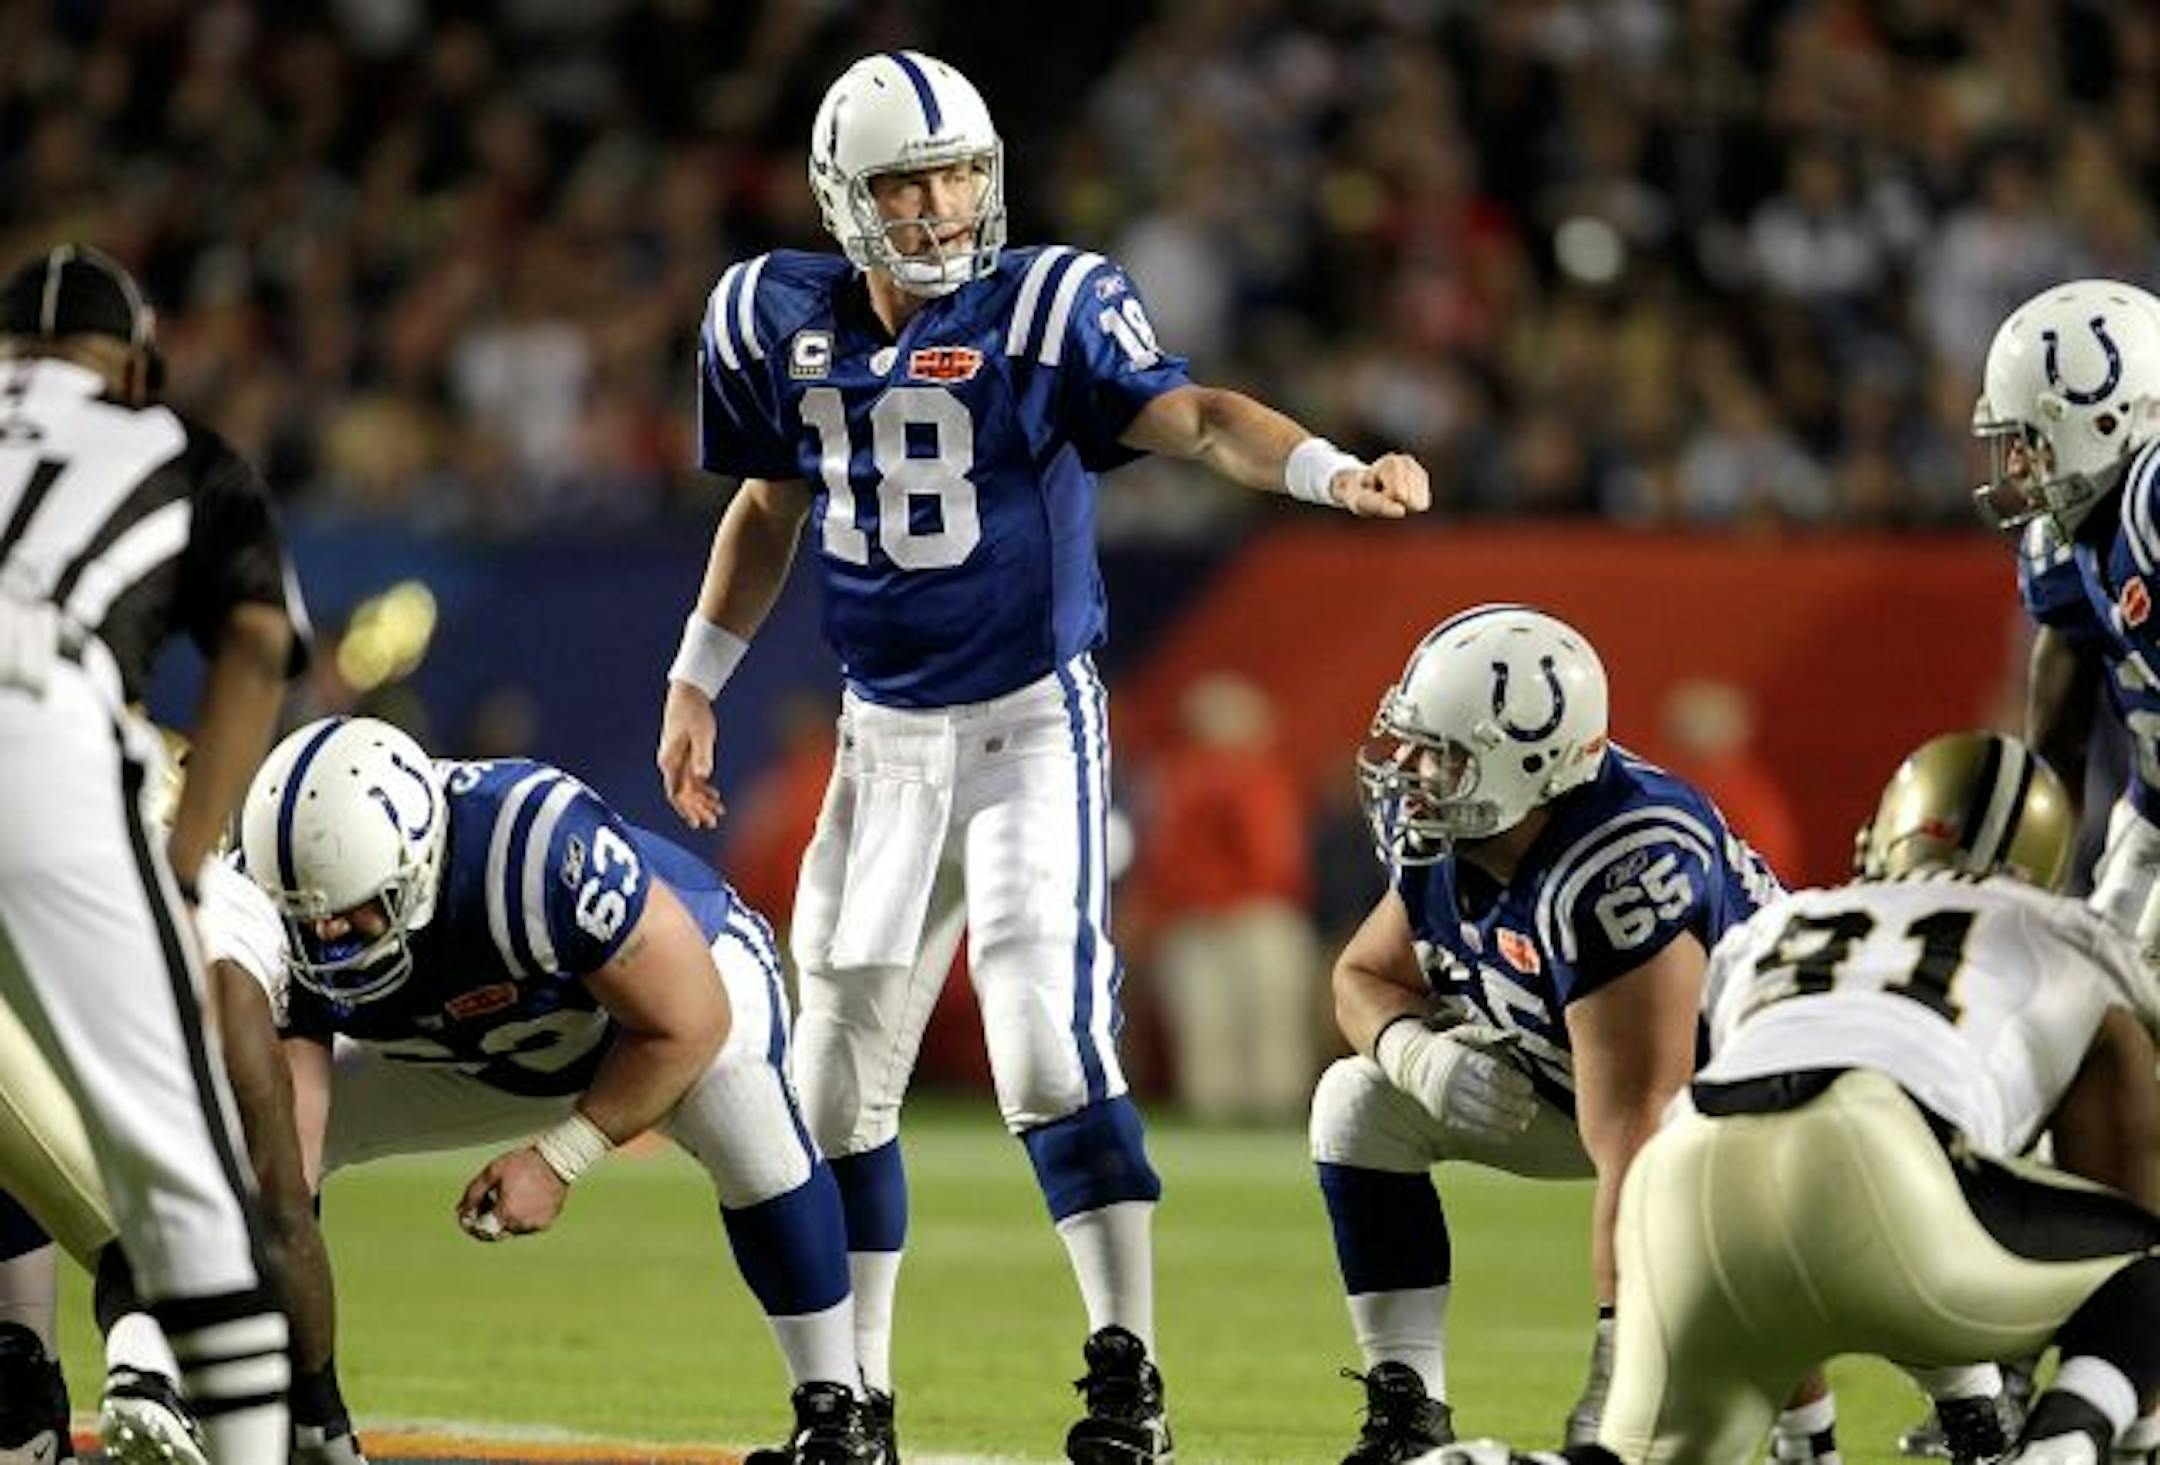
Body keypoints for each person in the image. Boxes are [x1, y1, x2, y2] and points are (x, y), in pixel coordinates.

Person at [656, 49, 1430, 1465]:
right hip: (880, 739)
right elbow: (769, 502)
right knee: (832, 1080)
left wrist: (1329, 469)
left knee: (1044, 1044)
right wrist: (698, 674)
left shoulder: (1047, 304)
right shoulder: (774, 319)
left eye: (962, 172)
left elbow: (1194, 417)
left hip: (1028, 724)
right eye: (912, 181)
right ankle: (849, 1400)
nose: (948, 206)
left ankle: (1125, 1371)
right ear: (845, 199)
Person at [1423, 730, 2160, 1465]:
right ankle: (2064, 1446)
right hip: (1878, 1156)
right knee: (2145, 1266)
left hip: (1680, 1178)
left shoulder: (1781, 923)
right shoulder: (2066, 930)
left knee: (1641, 1460)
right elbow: (2128, 1161)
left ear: (1885, 833)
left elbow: (1755, 1099)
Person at [236, 716, 881, 1465]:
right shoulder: (261, 898)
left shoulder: (534, 844)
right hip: (469, 1052)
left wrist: (560, 1157)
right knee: (253, 1151)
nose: (330, 940)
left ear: (414, 859)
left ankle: (839, 1413)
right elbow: (291, 1152)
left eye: (350, 909)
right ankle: (268, 1400)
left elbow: (688, 1021)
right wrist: (315, 1411)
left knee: (735, 1093)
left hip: (656, 1004)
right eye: (307, 921)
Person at [1309, 604, 1835, 1465]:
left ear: (1525, 765)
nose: (1409, 768)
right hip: (1599, 1085)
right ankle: (1407, 1411)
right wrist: (1419, 1053)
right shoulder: (1458, 829)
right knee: (1358, 1100)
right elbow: (1360, 976)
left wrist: (1612, 1384)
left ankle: (1967, 1398)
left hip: (1771, 1108)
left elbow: (1640, 1137)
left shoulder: (1620, 859)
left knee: (1827, 1258)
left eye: (1441, 750)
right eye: (1413, 741)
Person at [0, 243, 308, 1464]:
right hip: (38, 728)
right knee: (181, 1184)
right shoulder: (171, 443)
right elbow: (257, 648)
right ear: (130, 363)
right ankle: (204, 1409)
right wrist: (181, 867)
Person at [0, 732, 358, 1465]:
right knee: (195, 1226)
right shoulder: (227, 901)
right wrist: (318, 1408)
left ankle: (27, 1399)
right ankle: (147, 1370)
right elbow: (279, 1199)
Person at [1972, 279, 2160, 956]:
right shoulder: (2066, 543)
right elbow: (2058, 738)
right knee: (2079, 988)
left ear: (2105, 418)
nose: (2016, 462)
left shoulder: (2151, 499)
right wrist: (2027, 883)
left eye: (2029, 437)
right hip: (2151, 818)